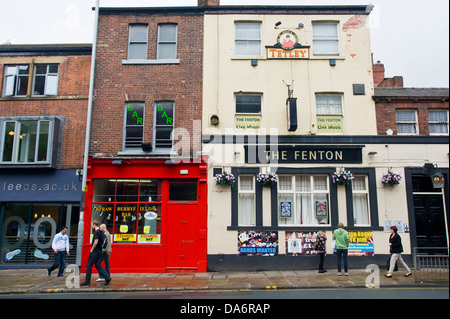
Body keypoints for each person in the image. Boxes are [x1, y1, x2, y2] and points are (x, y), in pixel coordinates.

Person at [80, 220, 111, 286]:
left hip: (95, 252)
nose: (92, 226)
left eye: (92, 225)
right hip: (100, 252)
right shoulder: (101, 232)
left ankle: (87, 281)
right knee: (97, 265)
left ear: (94, 224)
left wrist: (91, 249)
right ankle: (107, 277)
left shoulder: (97, 232)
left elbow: (96, 241)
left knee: (89, 266)